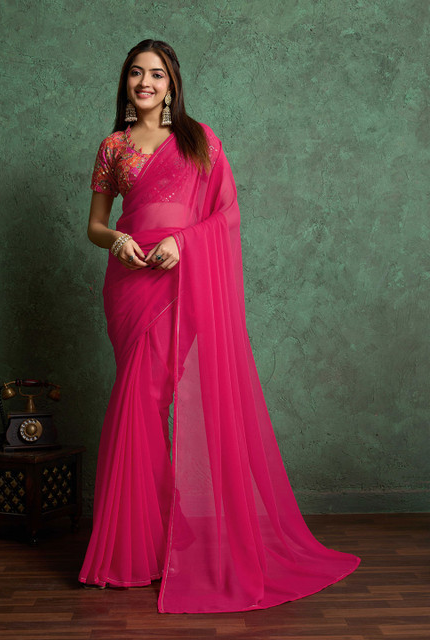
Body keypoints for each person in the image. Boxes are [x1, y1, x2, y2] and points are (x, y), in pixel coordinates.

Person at [78, 39, 360, 614]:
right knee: (139, 405)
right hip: (129, 283)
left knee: (145, 402)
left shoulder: (199, 141)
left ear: (172, 84)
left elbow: (226, 215)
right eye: (136, 73)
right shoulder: (113, 147)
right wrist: (119, 241)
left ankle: (146, 547)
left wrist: (184, 244)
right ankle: (144, 547)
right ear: (125, 82)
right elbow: (95, 226)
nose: (146, 82)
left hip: (180, 283)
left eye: (157, 74)